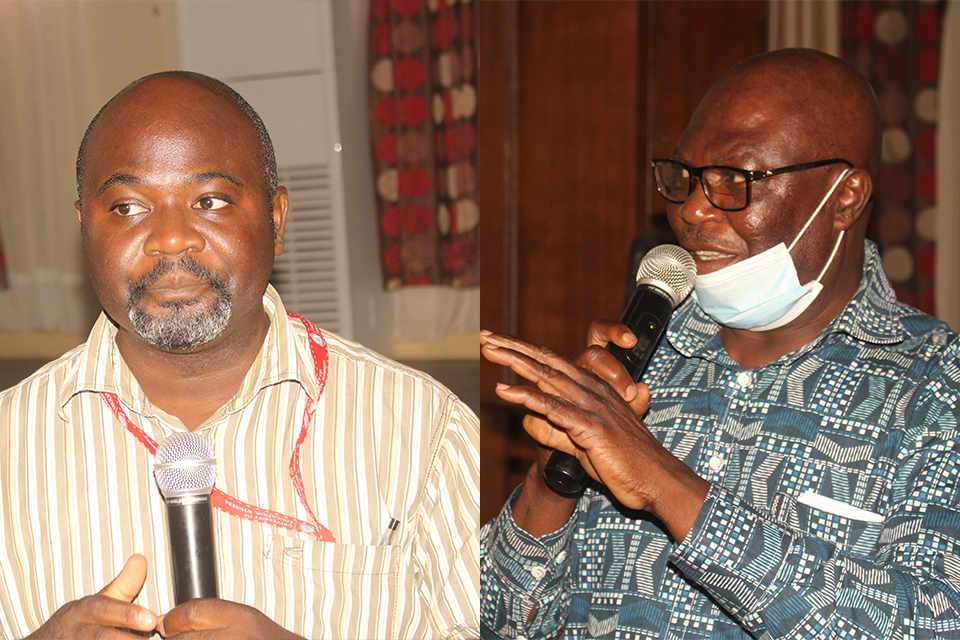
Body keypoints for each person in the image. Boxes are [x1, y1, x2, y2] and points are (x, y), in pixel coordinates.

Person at [479, 48, 960, 639]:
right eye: (685, 178)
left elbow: (931, 625)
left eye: (736, 179)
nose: (692, 210)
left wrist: (662, 483)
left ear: (845, 197)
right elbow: (489, 622)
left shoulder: (938, 387)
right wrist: (553, 479)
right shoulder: (639, 362)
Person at [0, 71, 479, 639]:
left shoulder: (423, 429)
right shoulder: (11, 442)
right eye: (128, 207)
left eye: (210, 200)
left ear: (275, 220)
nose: (171, 239)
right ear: (85, 228)